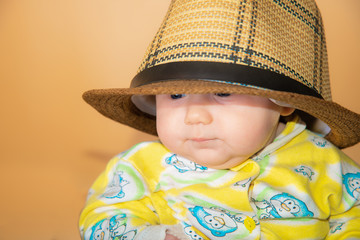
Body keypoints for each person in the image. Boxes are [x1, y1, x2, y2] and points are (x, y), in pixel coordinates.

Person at [79, 0, 360, 239]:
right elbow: (101, 218)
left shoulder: (325, 163)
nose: (195, 115)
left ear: (284, 103)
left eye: (223, 93)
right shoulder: (140, 167)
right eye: (175, 95)